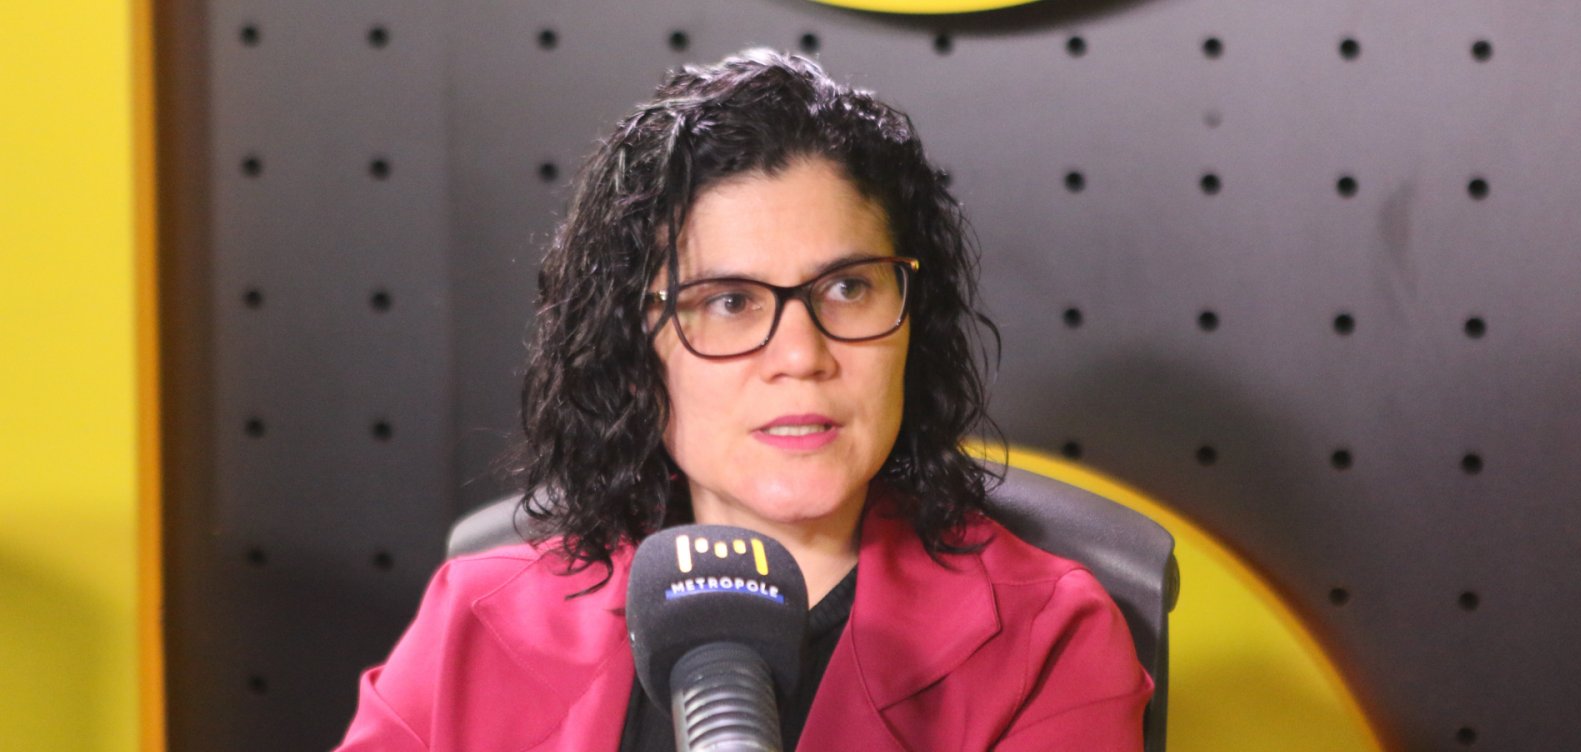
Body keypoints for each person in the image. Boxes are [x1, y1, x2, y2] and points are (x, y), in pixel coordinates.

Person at [337, 49, 1151, 751]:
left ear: (914, 323)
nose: (801, 356)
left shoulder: (1048, 642)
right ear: (633, 351)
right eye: (728, 302)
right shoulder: (472, 623)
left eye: (848, 288)